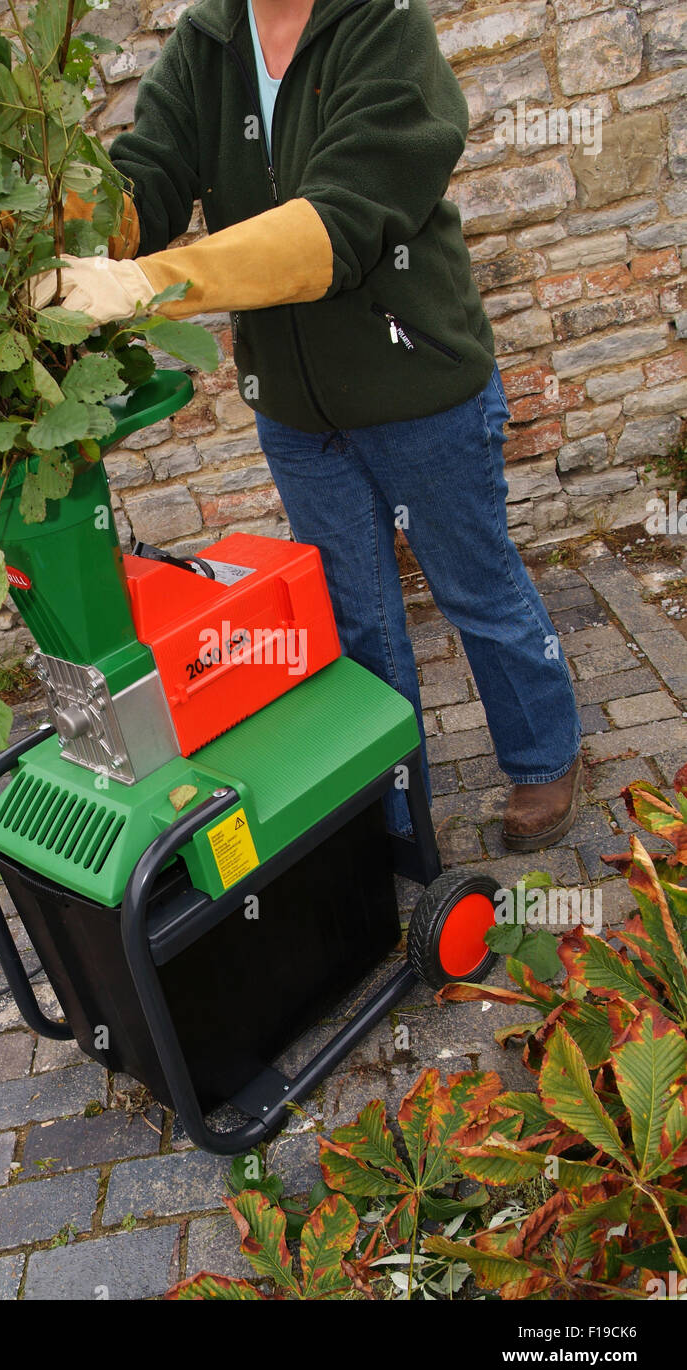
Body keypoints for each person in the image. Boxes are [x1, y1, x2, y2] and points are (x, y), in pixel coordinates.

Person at [34, 0, 583, 852]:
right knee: (355, 618)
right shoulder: (208, 39)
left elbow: (342, 219)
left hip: (415, 387)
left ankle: (545, 756)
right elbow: (147, 176)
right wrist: (51, 219)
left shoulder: (381, 27)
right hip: (295, 408)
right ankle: (395, 818)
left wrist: (146, 286)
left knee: (476, 588)